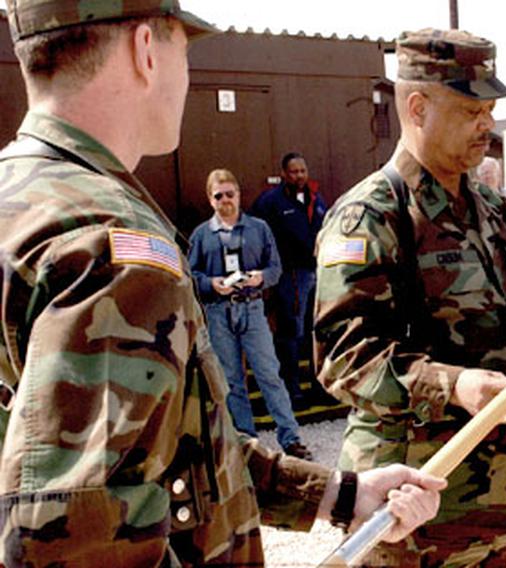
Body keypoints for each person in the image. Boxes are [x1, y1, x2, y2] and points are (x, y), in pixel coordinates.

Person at [0, 3, 445, 565]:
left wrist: (339, 494)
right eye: (184, 50)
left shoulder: (20, 200)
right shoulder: (113, 246)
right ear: (145, 51)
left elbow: (178, 453)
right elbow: (81, 539)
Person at [314, 28, 506, 567]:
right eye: (471, 109)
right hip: (413, 512)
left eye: (491, 108)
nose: (488, 123)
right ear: (417, 107)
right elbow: (344, 359)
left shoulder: (494, 211)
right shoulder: (372, 216)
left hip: (501, 499)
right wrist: (455, 385)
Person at [188, 168, 313, 460]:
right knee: (231, 380)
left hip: (253, 309)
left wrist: (260, 278)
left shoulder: (259, 229)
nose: (225, 200)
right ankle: (246, 443)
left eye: (230, 194)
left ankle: (291, 438)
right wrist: (210, 284)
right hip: (219, 313)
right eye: (218, 196)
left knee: (269, 374)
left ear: (239, 195)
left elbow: (276, 268)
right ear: (210, 200)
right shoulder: (201, 235)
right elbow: (190, 275)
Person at [250, 152, 327, 405]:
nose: (300, 176)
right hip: (290, 275)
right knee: (290, 332)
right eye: (294, 172)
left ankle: (319, 386)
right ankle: (292, 389)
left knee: (317, 330)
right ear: (284, 174)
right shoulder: (271, 202)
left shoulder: (316, 199)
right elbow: (253, 231)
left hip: (317, 272)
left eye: (303, 171)